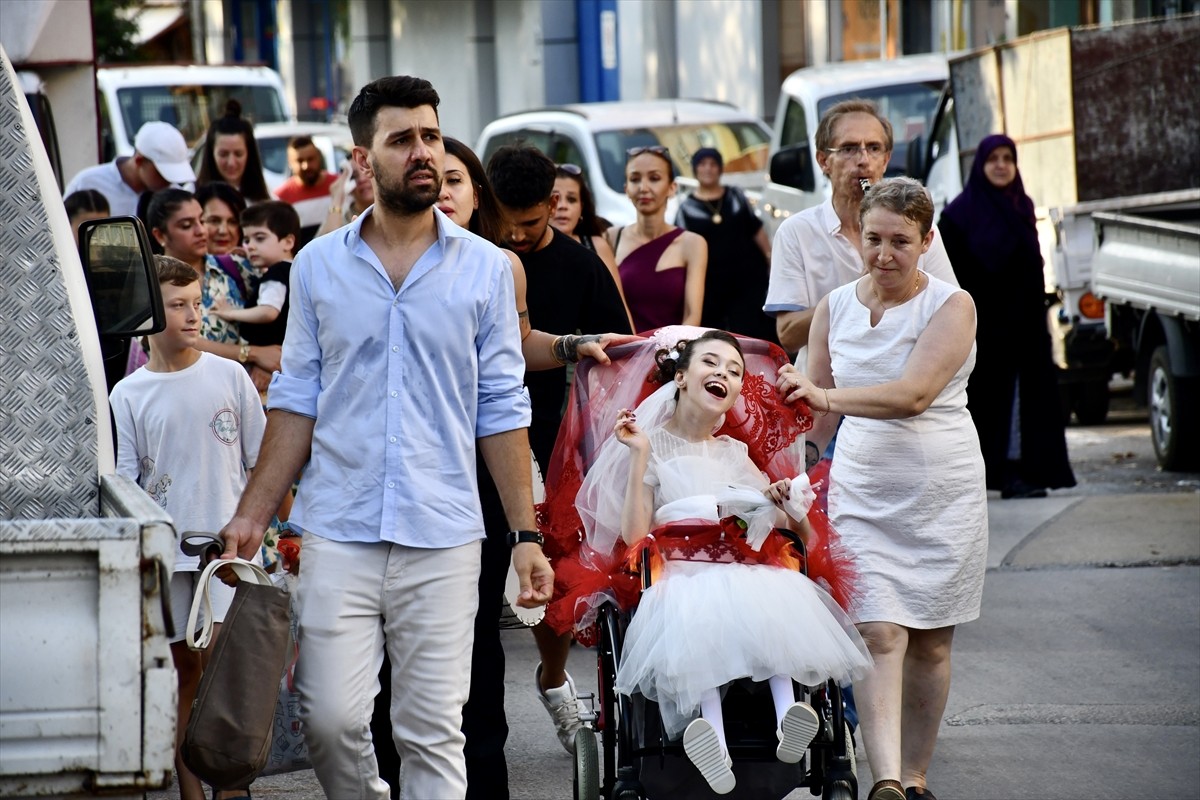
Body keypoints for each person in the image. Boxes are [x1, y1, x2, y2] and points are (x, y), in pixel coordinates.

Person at [216, 75, 554, 800]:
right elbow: (297, 400)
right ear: (364, 157)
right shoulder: (317, 267)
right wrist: (252, 513)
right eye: (403, 139)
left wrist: (525, 534)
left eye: (431, 135)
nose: (423, 151)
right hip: (340, 526)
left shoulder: (487, 270)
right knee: (333, 721)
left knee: (432, 731)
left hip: (445, 533)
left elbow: (501, 404)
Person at [777, 178, 988, 800]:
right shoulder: (834, 306)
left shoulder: (954, 306)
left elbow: (914, 395)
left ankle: (917, 774)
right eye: (873, 239)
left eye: (901, 241)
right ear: (859, 238)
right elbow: (812, 413)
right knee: (878, 631)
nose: (884, 253)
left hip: (940, 491)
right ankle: (887, 780)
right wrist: (796, 470)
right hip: (861, 491)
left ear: (926, 241)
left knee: (929, 640)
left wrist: (826, 397)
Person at [601, 330, 871, 795]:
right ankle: (714, 740)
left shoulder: (735, 452)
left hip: (738, 567)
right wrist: (640, 455)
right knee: (697, 607)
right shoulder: (653, 445)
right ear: (680, 377)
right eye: (711, 364)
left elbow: (768, 523)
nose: (723, 375)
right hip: (680, 572)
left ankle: (790, 717)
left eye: (734, 371)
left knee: (779, 593)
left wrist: (773, 500)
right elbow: (632, 536)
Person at [486, 142, 634, 763]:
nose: (516, 237)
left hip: (559, 437)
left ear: (555, 205)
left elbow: (621, 348)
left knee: (553, 572)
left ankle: (552, 678)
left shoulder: (581, 266)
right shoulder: (471, 255)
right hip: (485, 434)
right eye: (506, 223)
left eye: (530, 223)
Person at [109, 254, 266, 800]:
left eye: (197, 303)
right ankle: (191, 788)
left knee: (228, 672)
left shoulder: (229, 376)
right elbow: (126, 483)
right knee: (185, 675)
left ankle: (231, 784)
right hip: (170, 559)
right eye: (178, 305)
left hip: (231, 555)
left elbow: (261, 463)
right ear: (149, 313)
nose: (193, 314)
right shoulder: (127, 394)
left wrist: (273, 533)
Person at [764, 100, 958, 363]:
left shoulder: (917, 227)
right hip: (827, 384)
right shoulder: (796, 232)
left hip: (902, 375)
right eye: (849, 149)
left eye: (874, 148)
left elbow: (951, 309)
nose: (864, 160)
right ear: (823, 160)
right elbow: (788, 334)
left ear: (887, 159)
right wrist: (858, 292)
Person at [939, 134, 1076, 500]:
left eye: (1007, 159)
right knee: (986, 404)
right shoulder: (958, 215)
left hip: (1026, 328)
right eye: (993, 159)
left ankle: (1019, 471)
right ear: (980, 166)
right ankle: (989, 473)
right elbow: (950, 277)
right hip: (981, 330)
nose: (1001, 165)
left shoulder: (1022, 206)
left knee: (1022, 403)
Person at [145, 188, 279, 394]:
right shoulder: (149, 282)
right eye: (187, 225)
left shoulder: (236, 267)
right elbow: (179, 342)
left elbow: (281, 302)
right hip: (181, 395)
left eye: (202, 220)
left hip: (239, 393)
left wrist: (266, 363)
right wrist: (252, 354)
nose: (201, 231)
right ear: (160, 235)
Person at [676, 147, 776, 343]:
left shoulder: (736, 196)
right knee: (715, 335)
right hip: (710, 282)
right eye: (702, 164)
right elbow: (680, 244)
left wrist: (769, 257)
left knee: (753, 329)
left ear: (720, 169)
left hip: (747, 277)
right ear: (695, 170)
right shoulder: (686, 209)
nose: (708, 169)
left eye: (713, 164)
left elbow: (755, 228)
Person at [606, 146, 707, 333]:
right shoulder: (611, 238)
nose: (644, 188)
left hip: (674, 354)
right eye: (635, 179)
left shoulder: (693, 243)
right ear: (626, 189)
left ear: (672, 187)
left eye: (654, 178)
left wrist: (670, 355)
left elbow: (692, 316)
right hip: (623, 354)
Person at [212, 200, 299, 356]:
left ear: (288, 242)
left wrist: (231, 312)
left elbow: (268, 311)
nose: (250, 246)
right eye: (247, 240)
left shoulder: (277, 273)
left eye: (259, 238)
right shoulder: (295, 270)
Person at [551, 163, 633, 328]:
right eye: (556, 198)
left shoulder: (597, 245)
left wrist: (635, 349)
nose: (563, 206)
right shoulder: (525, 246)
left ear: (582, 207)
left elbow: (620, 307)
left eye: (572, 199)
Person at [64, 121, 195, 216]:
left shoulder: (173, 194)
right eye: (162, 174)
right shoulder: (87, 183)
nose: (169, 181)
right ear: (139, 160)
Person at [195, 99, 271, 203]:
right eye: (223, 154)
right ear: (211, 154)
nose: (231, 163)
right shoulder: (193, 196)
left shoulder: (266, 201)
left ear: (249, 154)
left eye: (238, 154)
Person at [274, 135, 338, 248]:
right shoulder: (281, 198)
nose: (306, 166)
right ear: (290, 163)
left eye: (310, 159)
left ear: (318, 157)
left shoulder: (338, 185)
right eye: (299, 161)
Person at [316, 158, 376, 237]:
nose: (362, 180)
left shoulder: (392, 209)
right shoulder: (340, 216)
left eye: (367, 171)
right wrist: (337, 199)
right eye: (353, 176)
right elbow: (328, 245)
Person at [195, 181, 248, 259]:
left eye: (232, 222)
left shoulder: (257, 268)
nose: (223, 231)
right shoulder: (177, 268)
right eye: (214, 221)